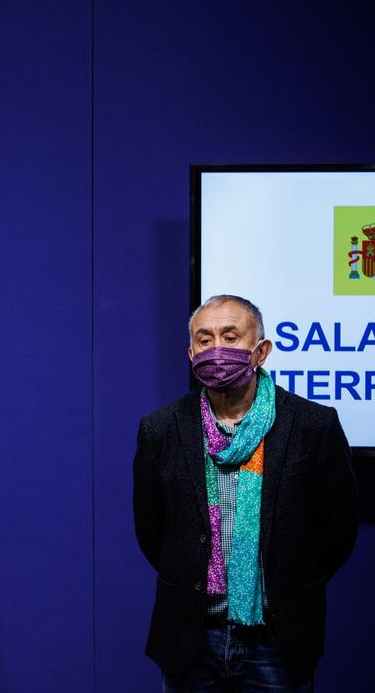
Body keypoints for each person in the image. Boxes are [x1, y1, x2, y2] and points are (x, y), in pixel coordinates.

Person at [133, 294, 358, 691]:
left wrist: (292, 579)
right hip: (191, 637)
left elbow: (337, 530)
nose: (217, 349)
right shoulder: (161, 429)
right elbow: (152, 531)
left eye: (231, 337)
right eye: (205, 339)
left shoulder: (312, 425)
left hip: (277, 639)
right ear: (190, 353)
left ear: (261, 351)